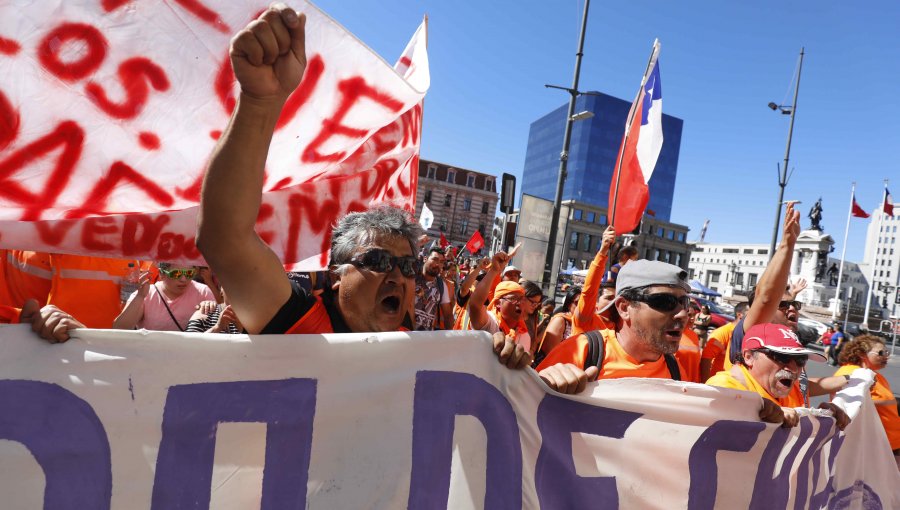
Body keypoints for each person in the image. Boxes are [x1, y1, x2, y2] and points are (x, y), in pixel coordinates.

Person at [194, 7, 599, 392]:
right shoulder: (297, 319)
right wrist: (260, 101)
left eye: (407, 265)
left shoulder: (424, 354)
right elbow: (223, 239)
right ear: (336, 276)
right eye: (377, 261)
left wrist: (533, 383)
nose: (399, 276)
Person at [536, 259, 689, 381]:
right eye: (665, 302)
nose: (682, 313)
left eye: (684, 302)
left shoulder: (676, 371)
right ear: (624, 308)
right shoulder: (582, 351)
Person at [707, 323, 850, 430]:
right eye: (782, 356)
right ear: (749, 357)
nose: (793, 368)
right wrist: (762, 415)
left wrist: (822, 417)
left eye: (800, 360)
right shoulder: (723, 387)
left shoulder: (791, 388)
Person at [833, 335, 900, 469]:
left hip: (890, 443)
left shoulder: (873, 374)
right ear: (862, 354)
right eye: (881, 353)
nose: (886, 356)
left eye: (887, 352)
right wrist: (887, 402)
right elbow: (848, 404)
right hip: (873, 446)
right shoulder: (851, 373)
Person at [114, 263, 216, 331]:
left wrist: (211, 309)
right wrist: (140, 296)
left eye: (189, 273)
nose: (183, 279)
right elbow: (119, 328)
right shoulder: (146, 293)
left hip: (189, 358)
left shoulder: (203, 292)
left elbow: (218, 330)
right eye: (176, 274)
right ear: (161, 274)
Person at [467, 249, 531, 352]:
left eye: (522, 299)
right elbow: (475, 305)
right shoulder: (490, 323)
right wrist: (494, 271)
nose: (519, 303)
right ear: (497, 303)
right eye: (514, 298)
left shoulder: (525, 335)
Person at [572, 225, 617, 336]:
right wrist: (603, 250)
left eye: (616, 298)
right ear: (595, 303)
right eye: (609, 298)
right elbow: (590, 289)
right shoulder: (586, 319)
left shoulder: (622, 328)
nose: (614, 302)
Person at [699, 301, 748, 382]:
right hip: (720, 384)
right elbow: (706, 359)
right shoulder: (723, 332)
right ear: (740, 315)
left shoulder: (746, 332)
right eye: (750, 312)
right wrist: (706, 384)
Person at [414, 248, 452, 331]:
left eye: (441, 262)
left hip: (426, 338)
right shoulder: (412, 277)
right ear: (425, 259)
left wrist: (449, 337)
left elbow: (448, 315)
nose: (438, 264)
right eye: (435, 259)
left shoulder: (441, 285)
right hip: (404, 333)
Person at [539, 286, 581, 359]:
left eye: (584, 303)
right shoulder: (561, 320)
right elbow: (549, 352)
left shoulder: (585, 323)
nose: (581, 306)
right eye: (577, 303)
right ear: (568, 304)